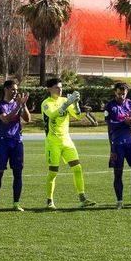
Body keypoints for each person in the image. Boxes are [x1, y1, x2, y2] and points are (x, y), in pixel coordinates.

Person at [40, 77, 92, 209]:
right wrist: (67, 103)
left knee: (77, 168)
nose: (60, 89)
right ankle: (49, 200)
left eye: (61, 87)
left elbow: (77, 115)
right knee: (53, 172)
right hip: (53, 142)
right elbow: (52, 115)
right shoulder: (46, 103)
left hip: (67, 140)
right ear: (50, 89)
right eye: (57, 87)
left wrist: (75, 104)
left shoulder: (64, 100)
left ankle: (82, 198)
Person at [104, 81, 131, 209]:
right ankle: (119, 201)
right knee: (118, 173)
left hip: (130, 143)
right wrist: (124, 122)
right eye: (120, 93)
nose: (122, 96)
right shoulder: (109, 106)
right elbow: (110, 124)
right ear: (115, 92)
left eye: (124, 93)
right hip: (117, 144)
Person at [0, 79, 29, 212]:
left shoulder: (18, 104)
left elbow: (27, 119)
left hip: (17, 142)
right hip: (3, 142)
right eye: (13, 89)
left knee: (18, 173)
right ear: (6, 89)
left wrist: (23, 106)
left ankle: (16, 203)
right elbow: (5, 119)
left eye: (17, 90)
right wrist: (18, 106)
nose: (15, 92)